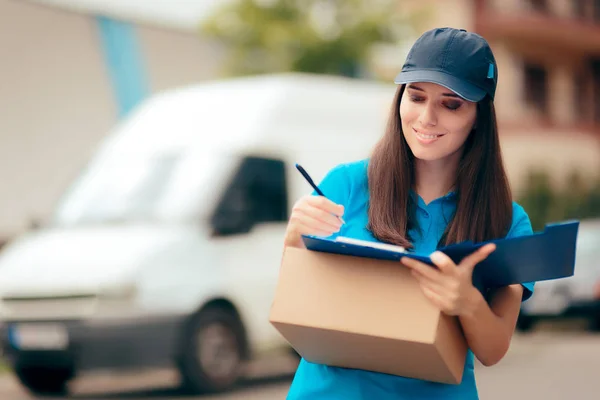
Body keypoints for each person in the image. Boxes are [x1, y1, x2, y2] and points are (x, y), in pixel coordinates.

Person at [282, 27, 536, 400]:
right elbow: (295, 309)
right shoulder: (346, 185)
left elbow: (493, 351)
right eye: (416, 97)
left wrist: (466, 302)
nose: (427, 118)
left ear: (479, 116)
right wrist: (294, 239)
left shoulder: (507, 221)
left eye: (451, 104)